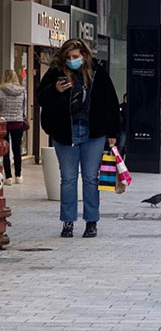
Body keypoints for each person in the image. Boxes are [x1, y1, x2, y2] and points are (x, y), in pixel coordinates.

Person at [37, 38, 120, 238]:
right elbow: (41, 99)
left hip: (93, 132)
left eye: (75, 56)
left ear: (84, 55)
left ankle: (91, 221)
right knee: (68, 178)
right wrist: (55, 90)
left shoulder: (97, 73)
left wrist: (113, 132)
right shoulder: (55, 73)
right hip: (65, 132)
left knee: (91, 178)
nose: (72, 60)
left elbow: (110, 102)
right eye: (68, 57)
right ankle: (68, 222)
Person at [0, 70, 27, 184]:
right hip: (18, 122)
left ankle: (8, 177)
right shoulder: (22, 91)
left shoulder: (1, 90)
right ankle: (18, 175)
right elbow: (23, 107)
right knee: (17, 149)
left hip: (4, 123)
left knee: (5, 149)